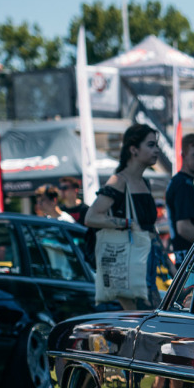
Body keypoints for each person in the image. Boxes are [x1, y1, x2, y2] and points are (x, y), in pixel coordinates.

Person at [85, 123, 162, 309]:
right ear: (134, 149)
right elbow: (91, 217)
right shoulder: (119, 181)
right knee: (142, 320)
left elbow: (150, 226)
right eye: (151, 145)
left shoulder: (144, 181)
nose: (157, 150)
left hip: (148, 258)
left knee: (153, 317)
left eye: (156, 145)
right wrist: (127, 223)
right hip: (130, 262)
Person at [166, 133, 194, 257]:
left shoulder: (184, 182)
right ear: (183, 155)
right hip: (190, 262)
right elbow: (184, 227)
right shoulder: (182, 184)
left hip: (188, 259)